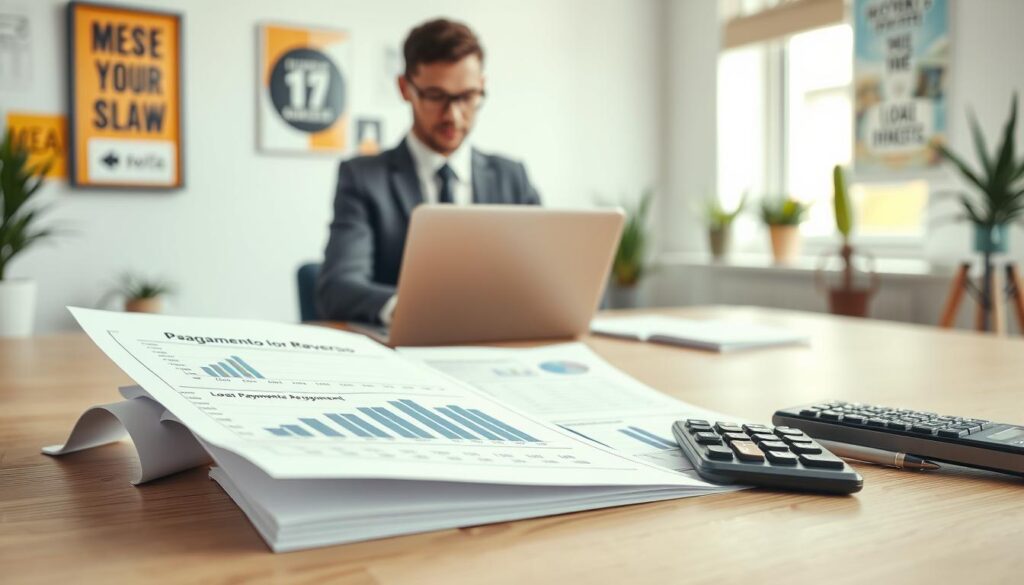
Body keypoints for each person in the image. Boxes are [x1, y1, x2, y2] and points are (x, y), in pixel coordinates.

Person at [316, 18, 542, 324]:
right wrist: (413, 313)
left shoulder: (512, 177)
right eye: (436, 96)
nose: (453, 115)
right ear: (405, 88)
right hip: (404, 352)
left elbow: (545, 280)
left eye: (466, 97)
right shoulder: (363, 178)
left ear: (482, 88)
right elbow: (338, 288)